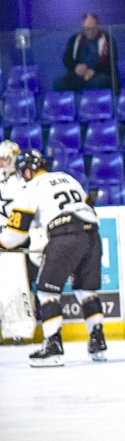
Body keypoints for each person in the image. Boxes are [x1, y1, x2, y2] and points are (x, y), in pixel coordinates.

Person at [0, 149, 107, 367]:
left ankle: (53, 346)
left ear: (29, 170)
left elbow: (15, 234)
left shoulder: (31, 187)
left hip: (65, 235)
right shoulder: (68, 178)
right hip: (92, 235)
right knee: (85, 290)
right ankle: (98, 341)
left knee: (46, 290)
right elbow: (92, 211)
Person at [0, 140, 36, 346]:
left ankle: (19, 329)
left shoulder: (23, 182)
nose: (2, 163)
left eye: (6, 159)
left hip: (14, 237)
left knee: (17, 284)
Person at [53, 13, 118, 92]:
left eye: (93, 29)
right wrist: (75, 67)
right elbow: (67, 58)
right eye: (87, 29)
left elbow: (111, 61)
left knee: (98, 82)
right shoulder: (74, 39)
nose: (90, 32)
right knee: (59, 84)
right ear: (83, 27)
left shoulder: (108, 39)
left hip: (100, 73)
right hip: (79, 74)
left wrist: (94, 70)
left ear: (98, 26)